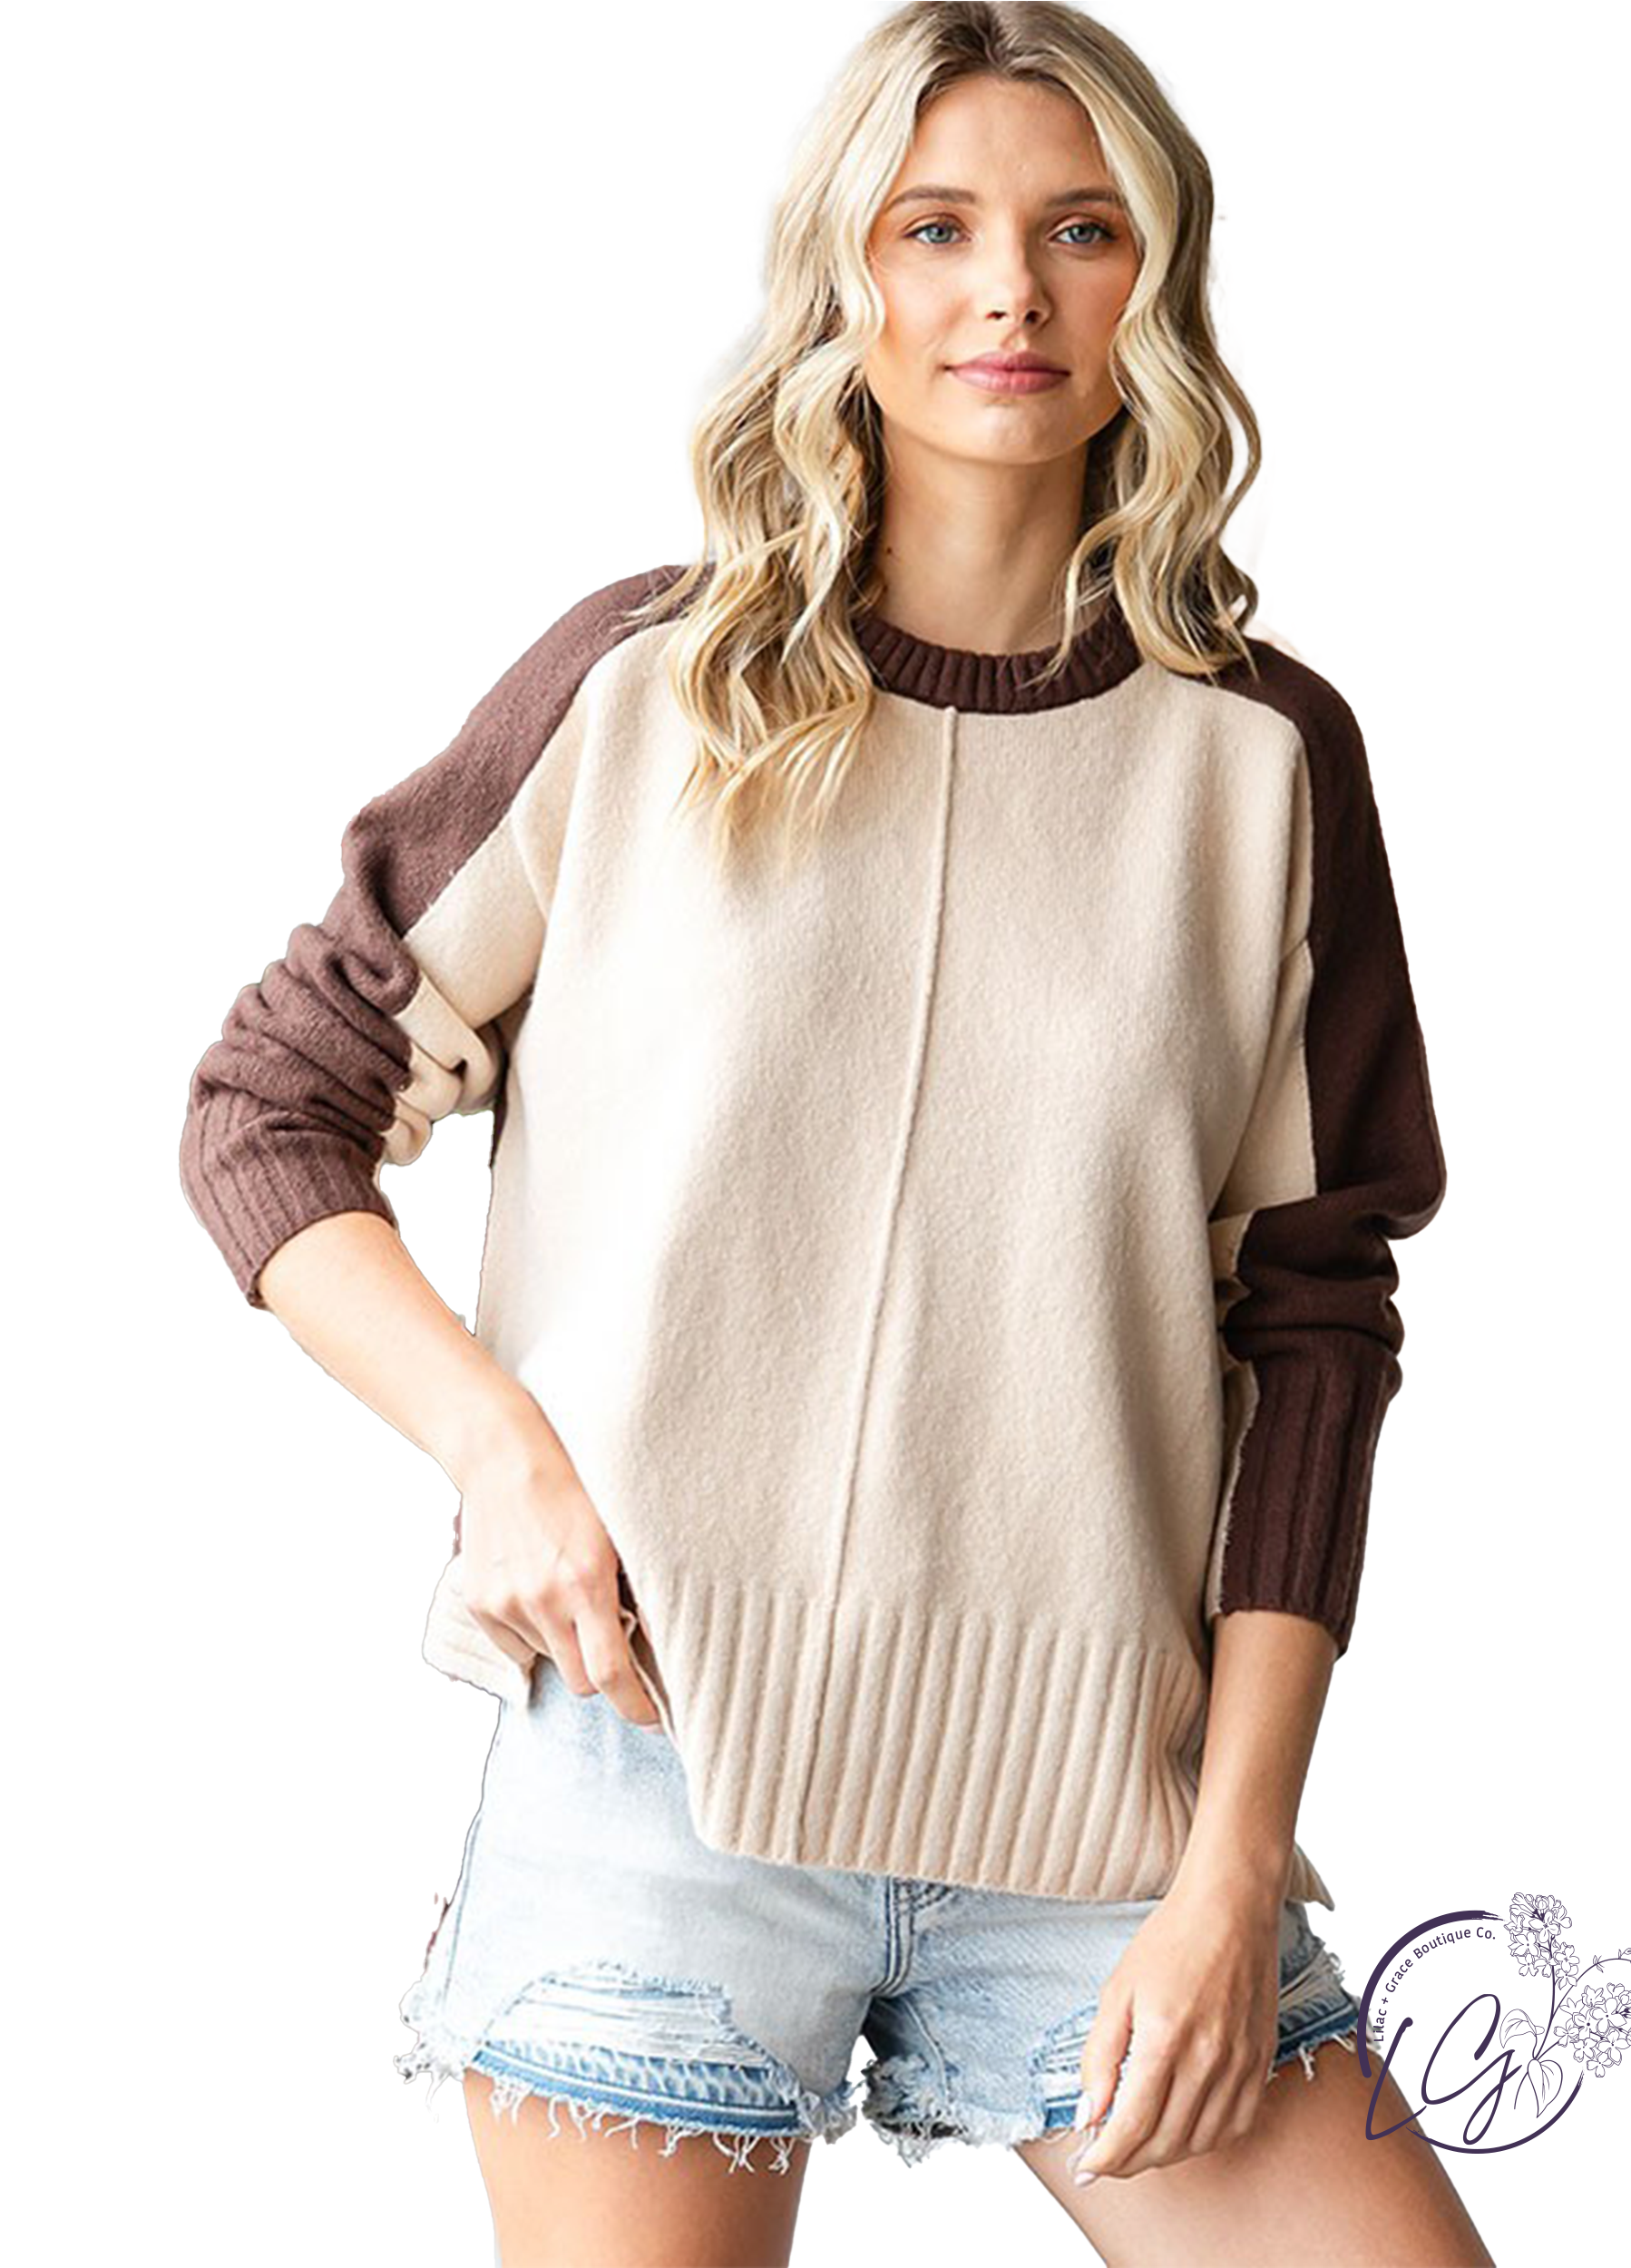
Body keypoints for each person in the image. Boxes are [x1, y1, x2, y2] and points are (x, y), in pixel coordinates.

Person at [179, 5, 1494, 2263]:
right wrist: (503, 1453)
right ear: (844, 276)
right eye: (937, 228)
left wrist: (1230, 1866)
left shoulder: (1265, 758)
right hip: (653, 1790)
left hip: (1113, 1816)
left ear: (1155, 279)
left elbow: (1315, 1325)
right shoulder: (644, 686)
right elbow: (274, 1104)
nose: (1011, 293)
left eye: (1080, 230)